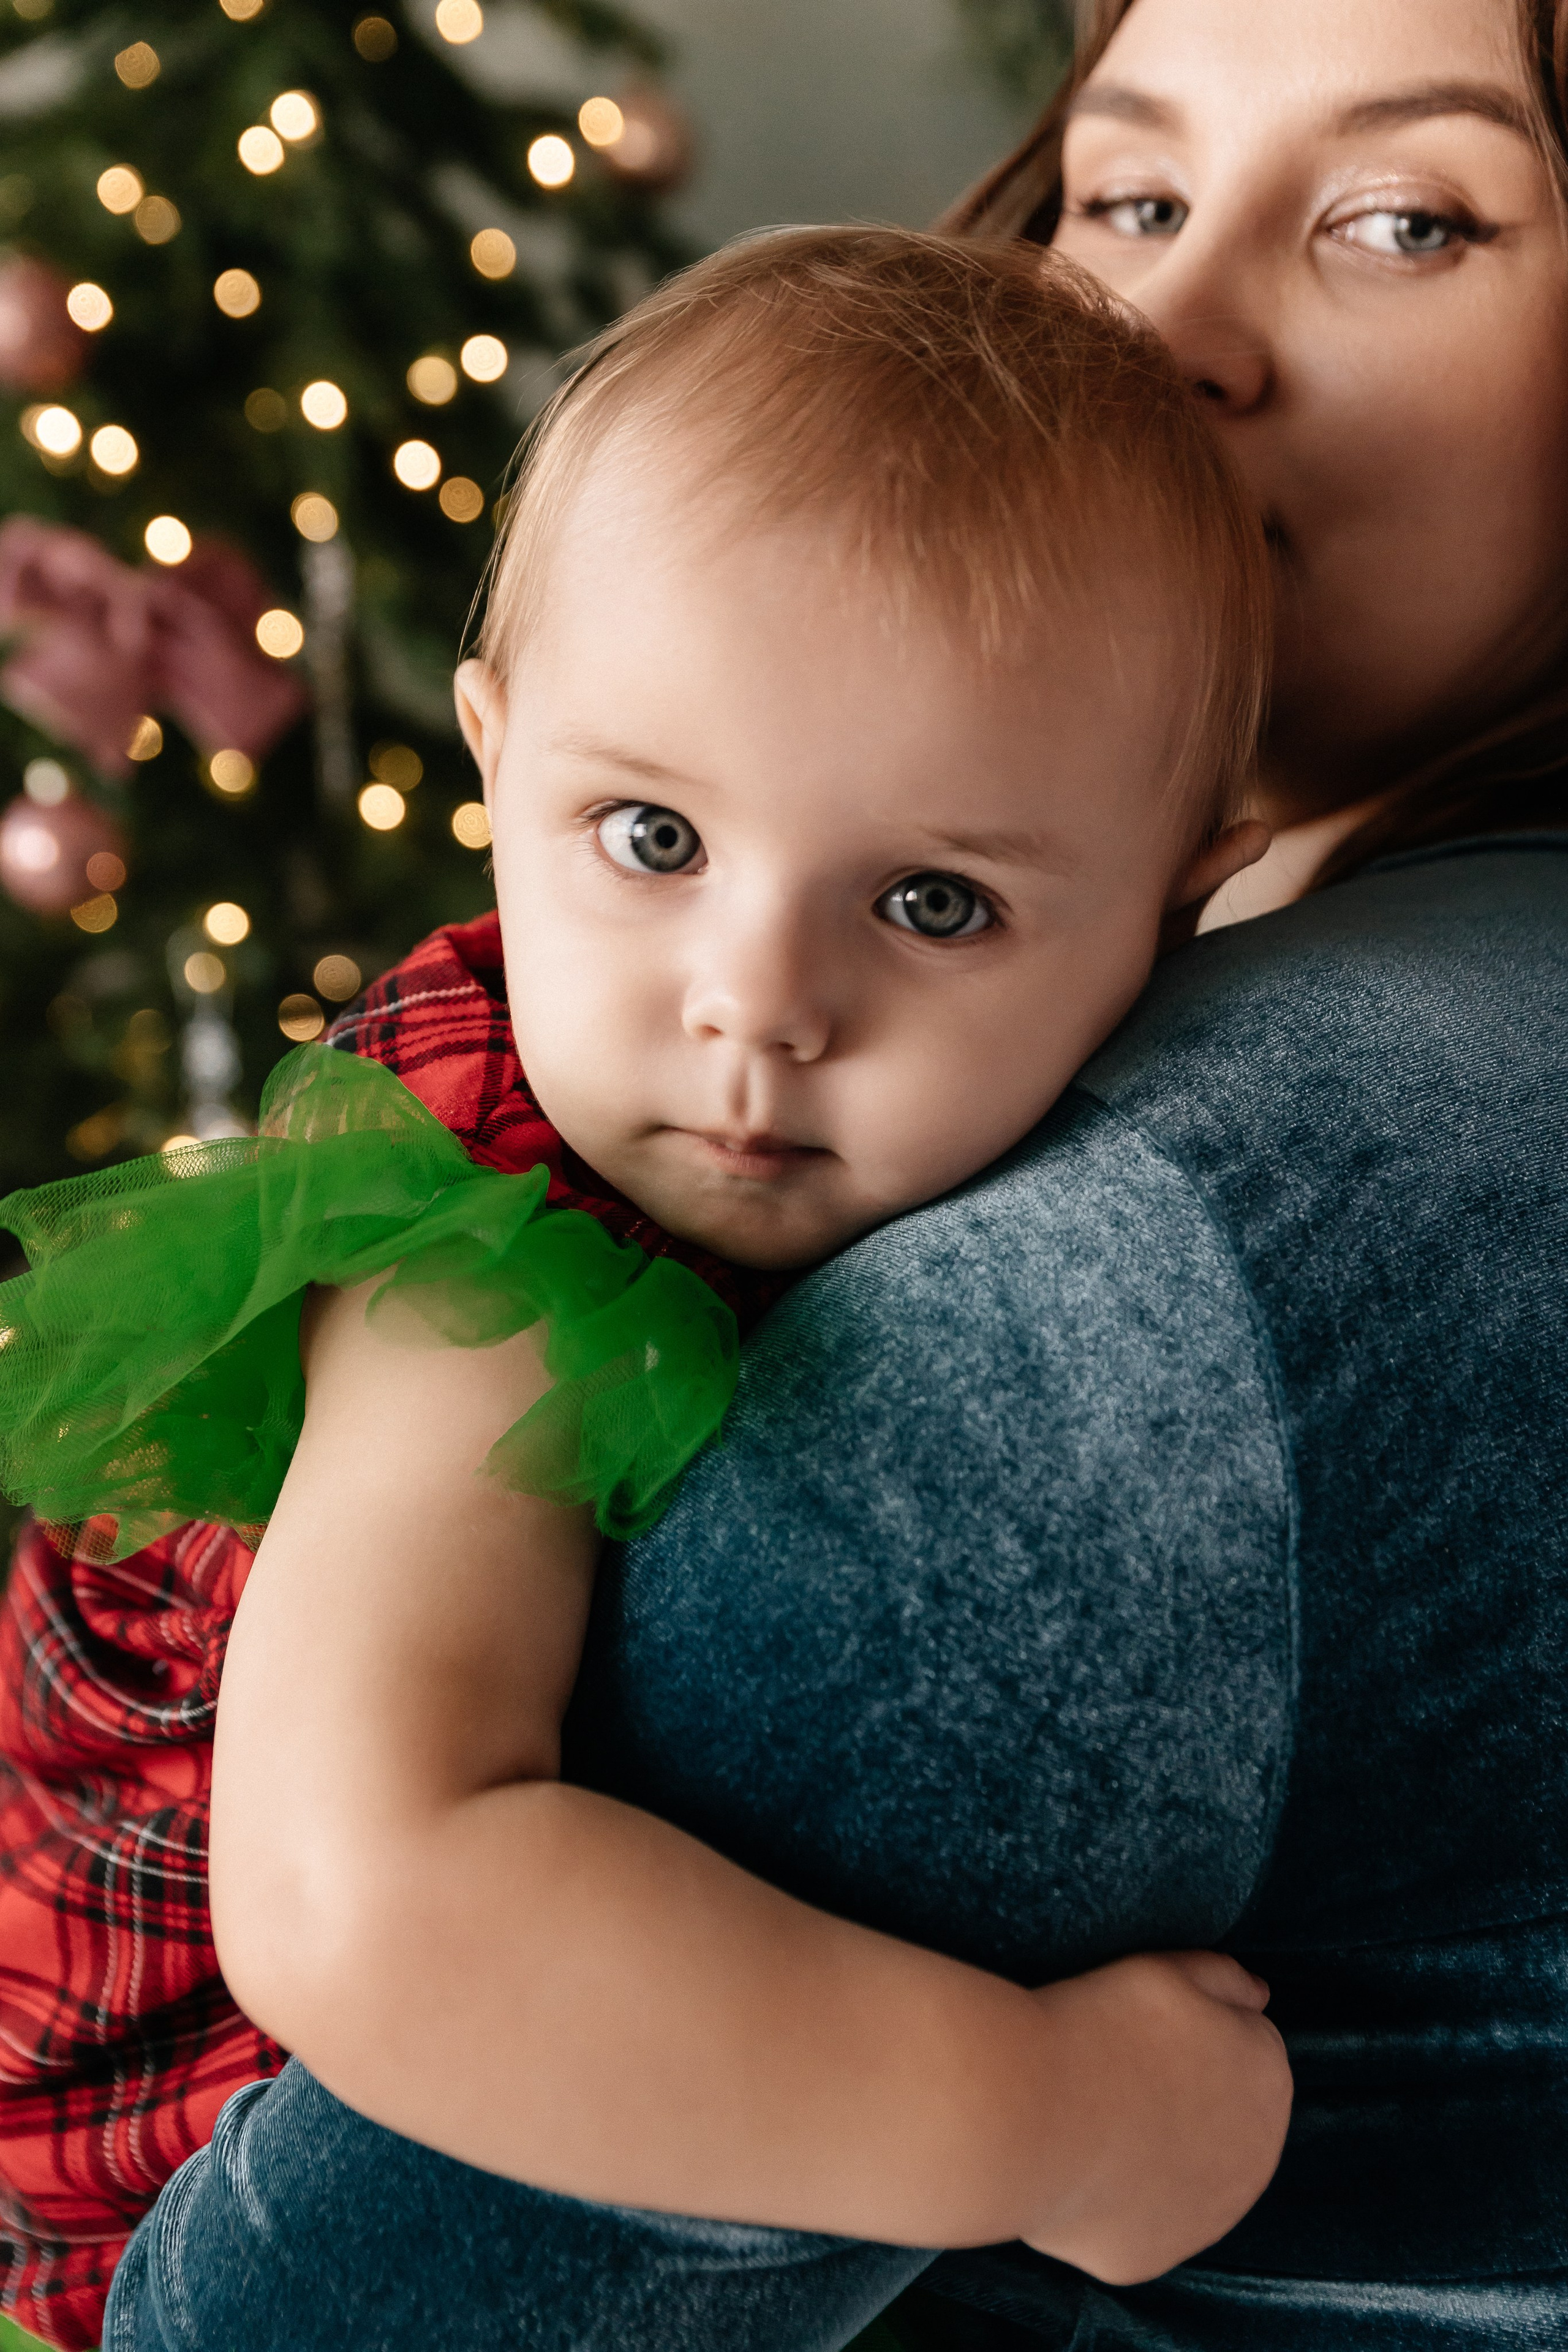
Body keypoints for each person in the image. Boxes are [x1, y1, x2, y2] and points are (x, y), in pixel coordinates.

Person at [12, 0, 1568, 2342]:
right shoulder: (478, 1273)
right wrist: (1040, 2111)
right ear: (497, 756)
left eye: (930, 902)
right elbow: (366, 1907)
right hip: (144, 2172)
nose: (755, 1003)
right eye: (648, 838)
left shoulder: (1308, 1075)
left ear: (1172, 887)